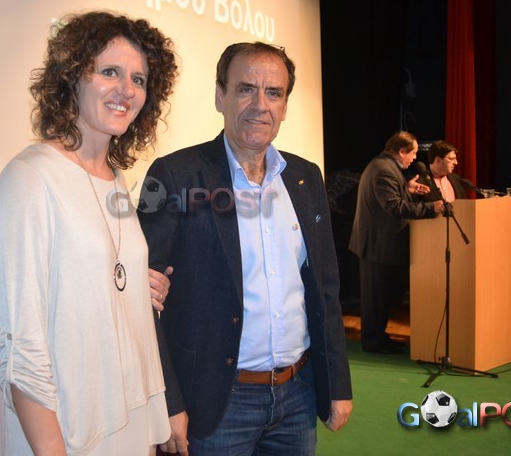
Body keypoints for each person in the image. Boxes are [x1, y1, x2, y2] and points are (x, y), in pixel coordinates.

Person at [138, 42, 353, 455]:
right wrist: (166, 400)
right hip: (214, 402)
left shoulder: (306, 178)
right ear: (220, 96)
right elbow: (140, 301)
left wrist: (337, 384)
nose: (260, 105)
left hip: (297, 394)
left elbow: (325, 289)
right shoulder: (174, 175)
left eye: (274, 93)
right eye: (245, 89)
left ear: (285, 106)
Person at [0, 11, 178, 455]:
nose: (126, 89)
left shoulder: (115, 179)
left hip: (126, 424)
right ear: (72, 77)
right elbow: (22, 347)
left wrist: (137, 286)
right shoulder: (30, 179)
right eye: (109, 72)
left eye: (139, 79)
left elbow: (97, 275)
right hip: (65, 434)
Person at [349, 131, 443, 355]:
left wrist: (407, 189)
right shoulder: (383, 169)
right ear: (401, 151)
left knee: (383, 295)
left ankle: (379, 336)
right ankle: (373, 341)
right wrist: (432, 208)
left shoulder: (386, 166)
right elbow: (393, 207)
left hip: (381, 243)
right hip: (377, 244)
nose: (415, 158)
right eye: (413, 153)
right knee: (376, 297)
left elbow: (390, 198)